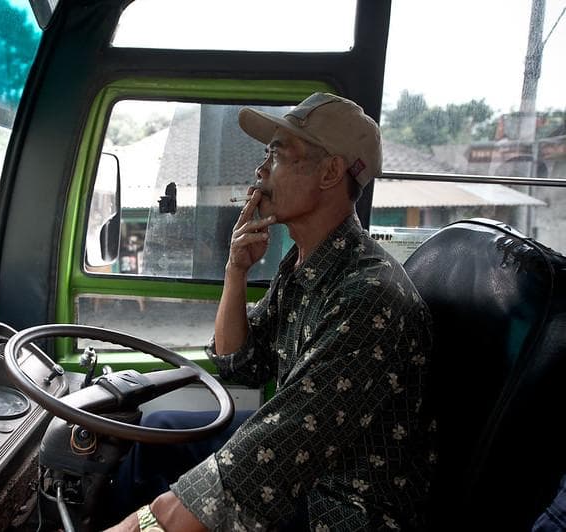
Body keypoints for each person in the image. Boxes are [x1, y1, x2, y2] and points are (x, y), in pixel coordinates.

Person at [105, 93, 435, 531]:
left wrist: (149, 521)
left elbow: (283, 448)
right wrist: (235, 270)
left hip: (342, 502)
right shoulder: (303, 263)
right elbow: (238, 363)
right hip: (305, 456)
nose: (261, 171)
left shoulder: (369, 296)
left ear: (331, 172)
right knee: (160, 434)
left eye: (278, 155)